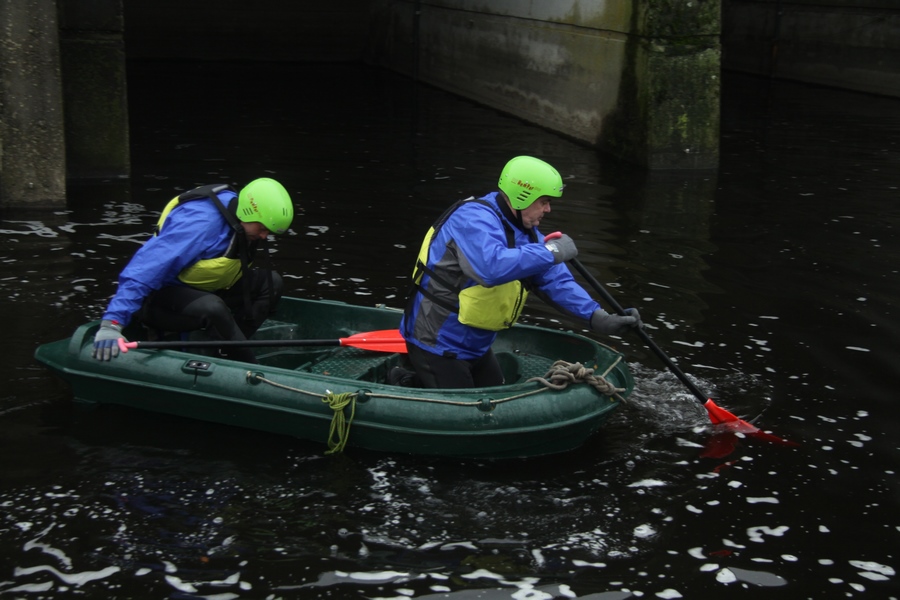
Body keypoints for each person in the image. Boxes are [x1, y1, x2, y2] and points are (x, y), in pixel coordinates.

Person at [397, 155, 641, 389]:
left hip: (476, 345)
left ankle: (409, 379)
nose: (548, 210)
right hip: (436, 341)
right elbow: (490, 267)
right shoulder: (472, 219)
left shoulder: (526, 232)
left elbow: (555, 282)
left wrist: (597, 317)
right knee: (472, 417)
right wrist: (552, 251)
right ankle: (405, 380)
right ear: (522, 196)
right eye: (543, 202)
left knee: (494, 396)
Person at [91, 177, 294, 364]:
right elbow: (143, 270)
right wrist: (112, 323)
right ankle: (248, 364)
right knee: (214, 308)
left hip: (204, 289)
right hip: (160, 301)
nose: (265, 236)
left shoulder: (242, 218)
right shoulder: (200, 224)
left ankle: (223, 352)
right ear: (249, 213)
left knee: (271, 283)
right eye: (262, 229)